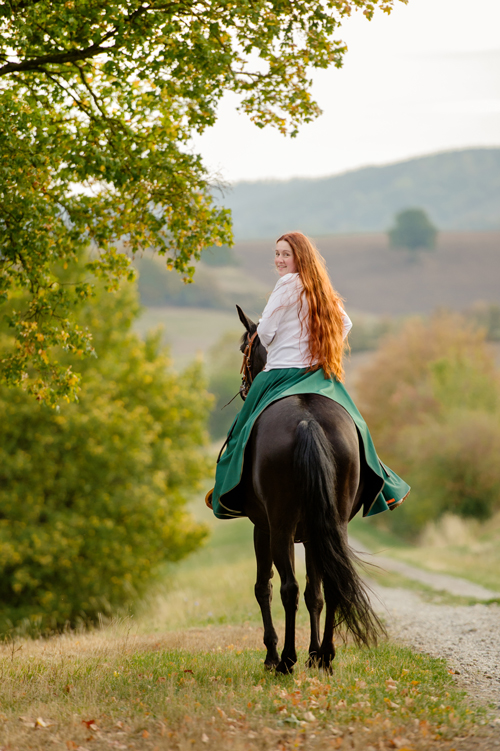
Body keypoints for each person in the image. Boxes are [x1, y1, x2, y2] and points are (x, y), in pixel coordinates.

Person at [208, 231, 410, 520]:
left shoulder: (285, 284)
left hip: (279, 375)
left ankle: (227, 493)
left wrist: (278, 336)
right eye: (277, 254)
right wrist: (317, 349)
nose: (279, 260)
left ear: (299, 257)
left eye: (285, 254)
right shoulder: (320, 287)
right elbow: (345, 323)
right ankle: (385, 484)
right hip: (318, 376)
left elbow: (264, 333)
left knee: (240, 431)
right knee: (358, 427)